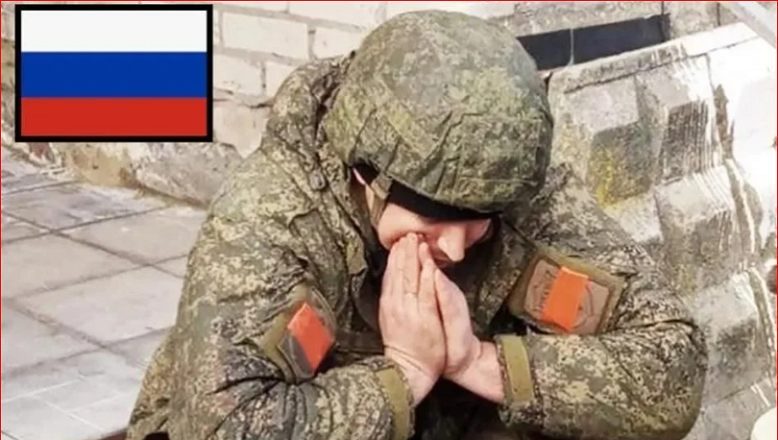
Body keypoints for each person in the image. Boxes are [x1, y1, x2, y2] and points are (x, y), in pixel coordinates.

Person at [127, 10, 707, 440]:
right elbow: (224, 426)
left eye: (477, 222)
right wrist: (404, 375)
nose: (455, 246)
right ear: (366, 176)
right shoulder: (273, 216)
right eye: (431, 218)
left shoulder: (511, 184)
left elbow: (673, 366)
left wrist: (477, 362)